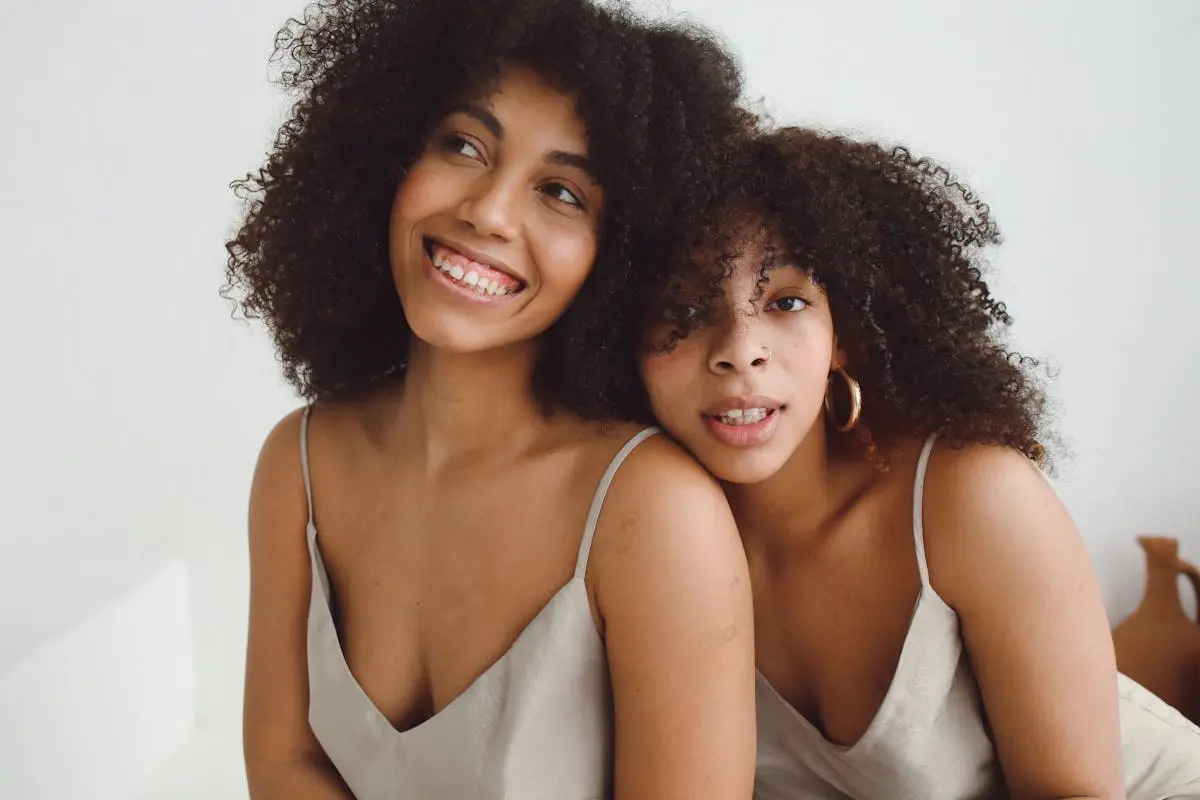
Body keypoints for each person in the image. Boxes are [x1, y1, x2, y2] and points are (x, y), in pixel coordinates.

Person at [224, 1, 759, 797]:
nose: (488, 210)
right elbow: (284, 765)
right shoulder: (300, 462)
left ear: (622, 258)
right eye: (464, 145)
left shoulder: (650, 511)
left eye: (564, 193)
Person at [639, 126, 1200, 799]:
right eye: (685, 309)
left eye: (785, 301)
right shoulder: (649, 545)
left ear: (841, 334)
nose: (739, 350)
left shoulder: (970, 496)